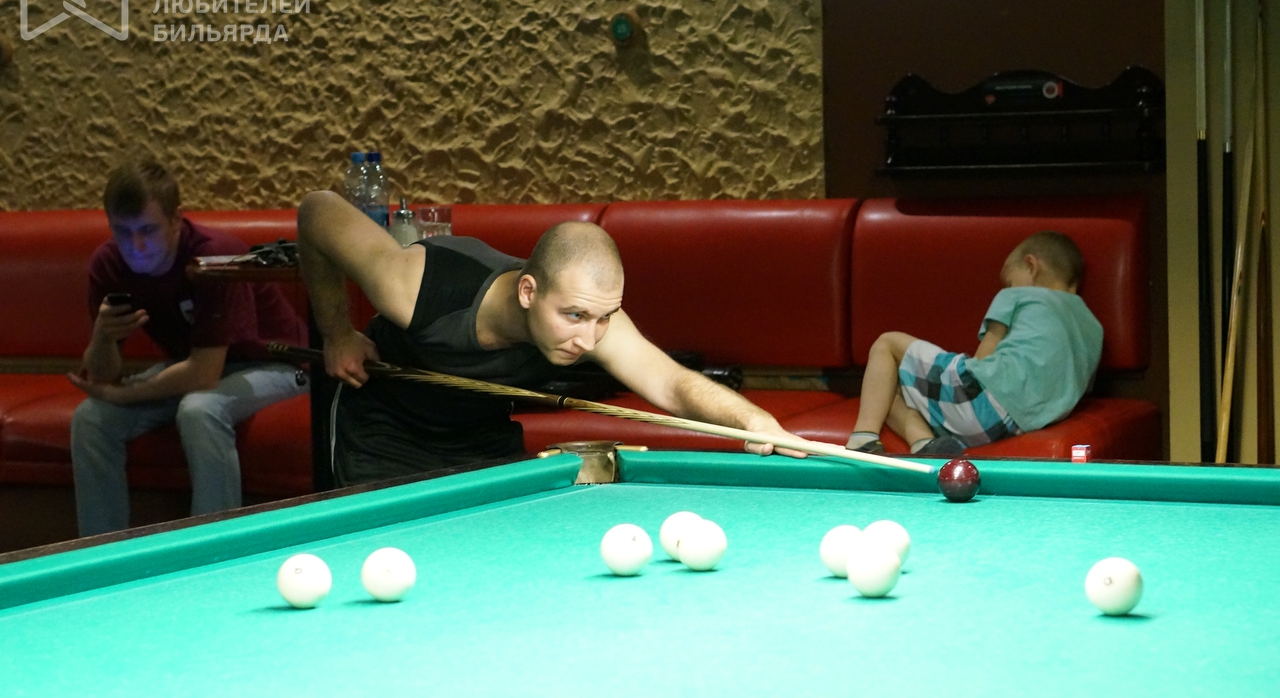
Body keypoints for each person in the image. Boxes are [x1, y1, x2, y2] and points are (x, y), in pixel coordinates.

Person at [295, 191, 808, 486]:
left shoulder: (592, 320)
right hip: (386, 435)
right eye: (575, 316)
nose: (589, 339)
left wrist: (753, 421)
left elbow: (671, 382)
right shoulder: (416, 287)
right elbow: (317, 210)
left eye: (604, 318)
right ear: (528, 292)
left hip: (481, 438)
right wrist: (337, 333)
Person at [69, 160, 308, 536]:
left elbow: (203, 374)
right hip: (194, 363)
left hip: (281, 363)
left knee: (200, 409)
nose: (136, 246)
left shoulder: (215, 257)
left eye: (147, 230)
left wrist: (124, 394)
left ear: (176, 220)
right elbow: (102, 375)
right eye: (123, 232)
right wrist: (102, 336)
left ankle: (214, 548)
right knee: (90, 418)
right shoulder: (108, 263)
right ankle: (102, 553)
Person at [844, 230, 1103, 456]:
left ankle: (862, 437)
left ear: (1031, 266)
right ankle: (924, 443)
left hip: (982, 402)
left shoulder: (1020, 295)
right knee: (889, 387)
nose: (1009, 287)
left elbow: (983, 360)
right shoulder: (1094, 328)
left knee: (887, 344)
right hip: (1015, 425)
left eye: (1010, 281)